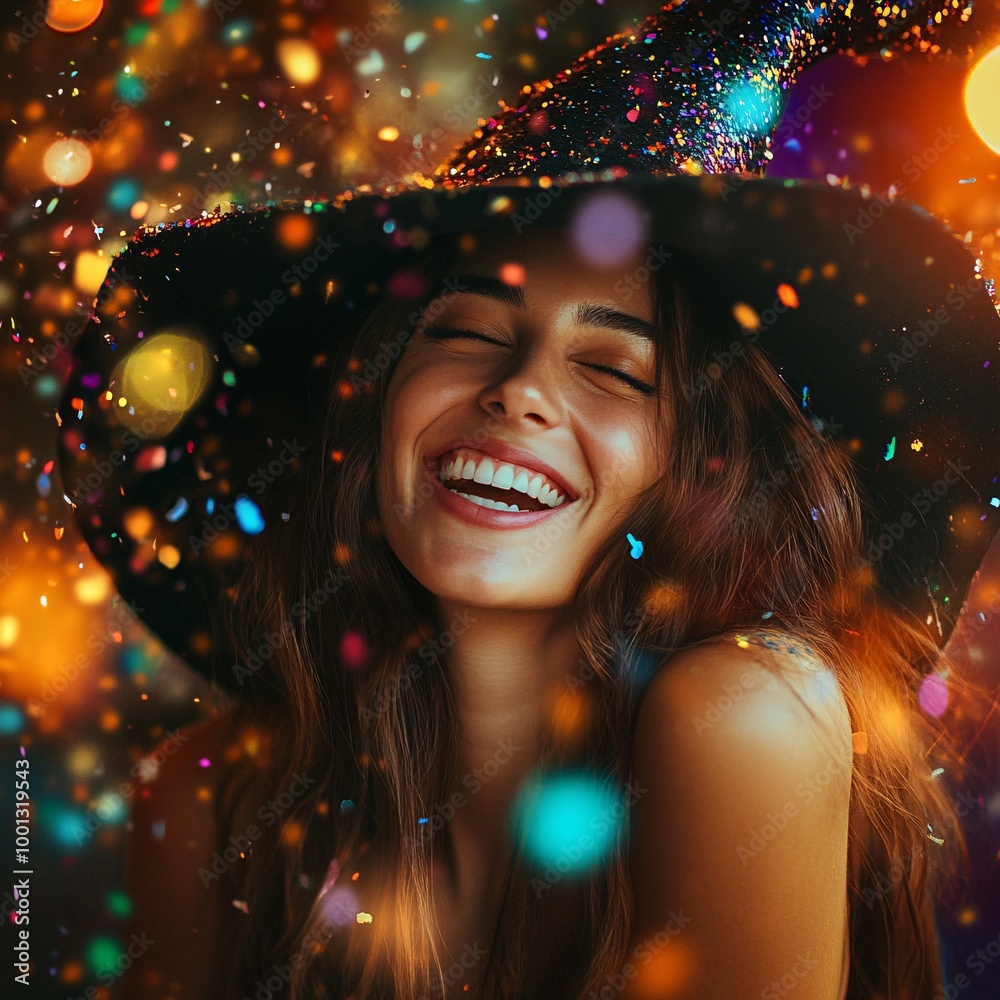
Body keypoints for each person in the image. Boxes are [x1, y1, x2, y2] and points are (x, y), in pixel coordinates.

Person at [57, 2, 999, 999]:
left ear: (691, 466)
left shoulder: (745, 715)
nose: (521, 392)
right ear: (371, 395)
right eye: (463, 331)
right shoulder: (205, 800)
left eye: (614, 370)